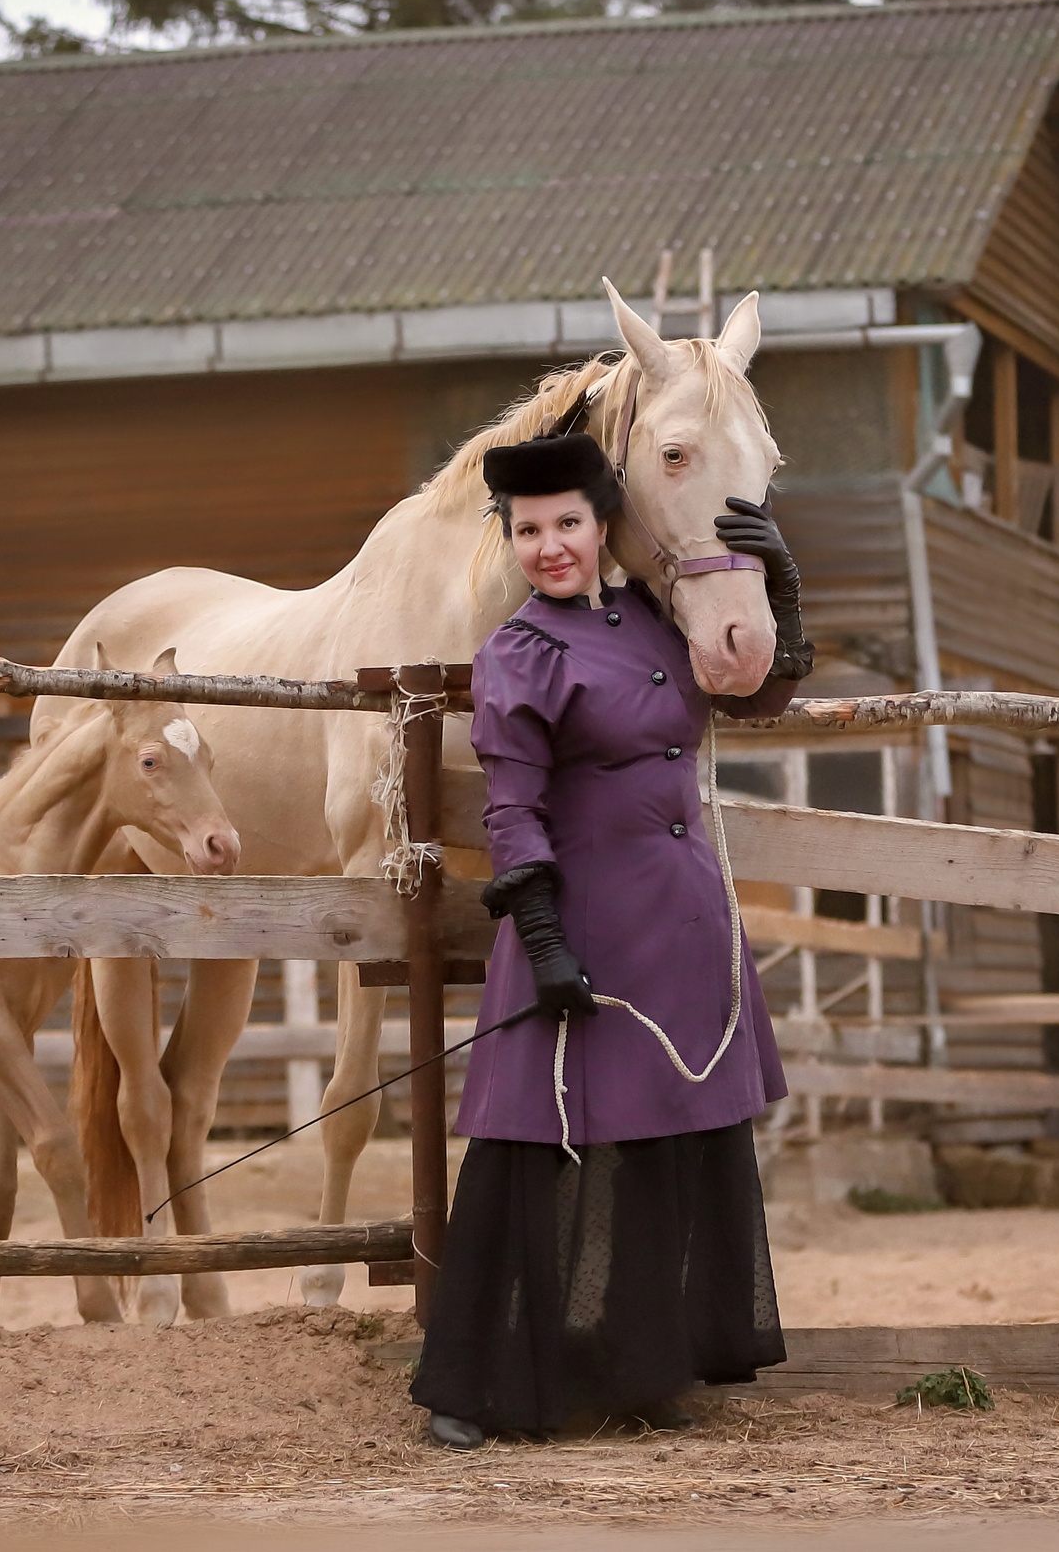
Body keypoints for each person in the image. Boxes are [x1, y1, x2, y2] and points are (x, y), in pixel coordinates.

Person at [410, 430, 815, 1450]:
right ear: (512, 538)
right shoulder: (517, 654)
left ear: (602, 528)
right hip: (581, 923)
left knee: (666, 1146)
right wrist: (542, 941)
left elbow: (759, 694)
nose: (550, 546)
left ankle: (645, 1367)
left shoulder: (655, 616)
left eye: (568, 525)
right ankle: (475, 1386)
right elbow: (512, 812)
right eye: (530, 530)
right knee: (529, 1149)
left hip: (681, 918)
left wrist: (780, 585)